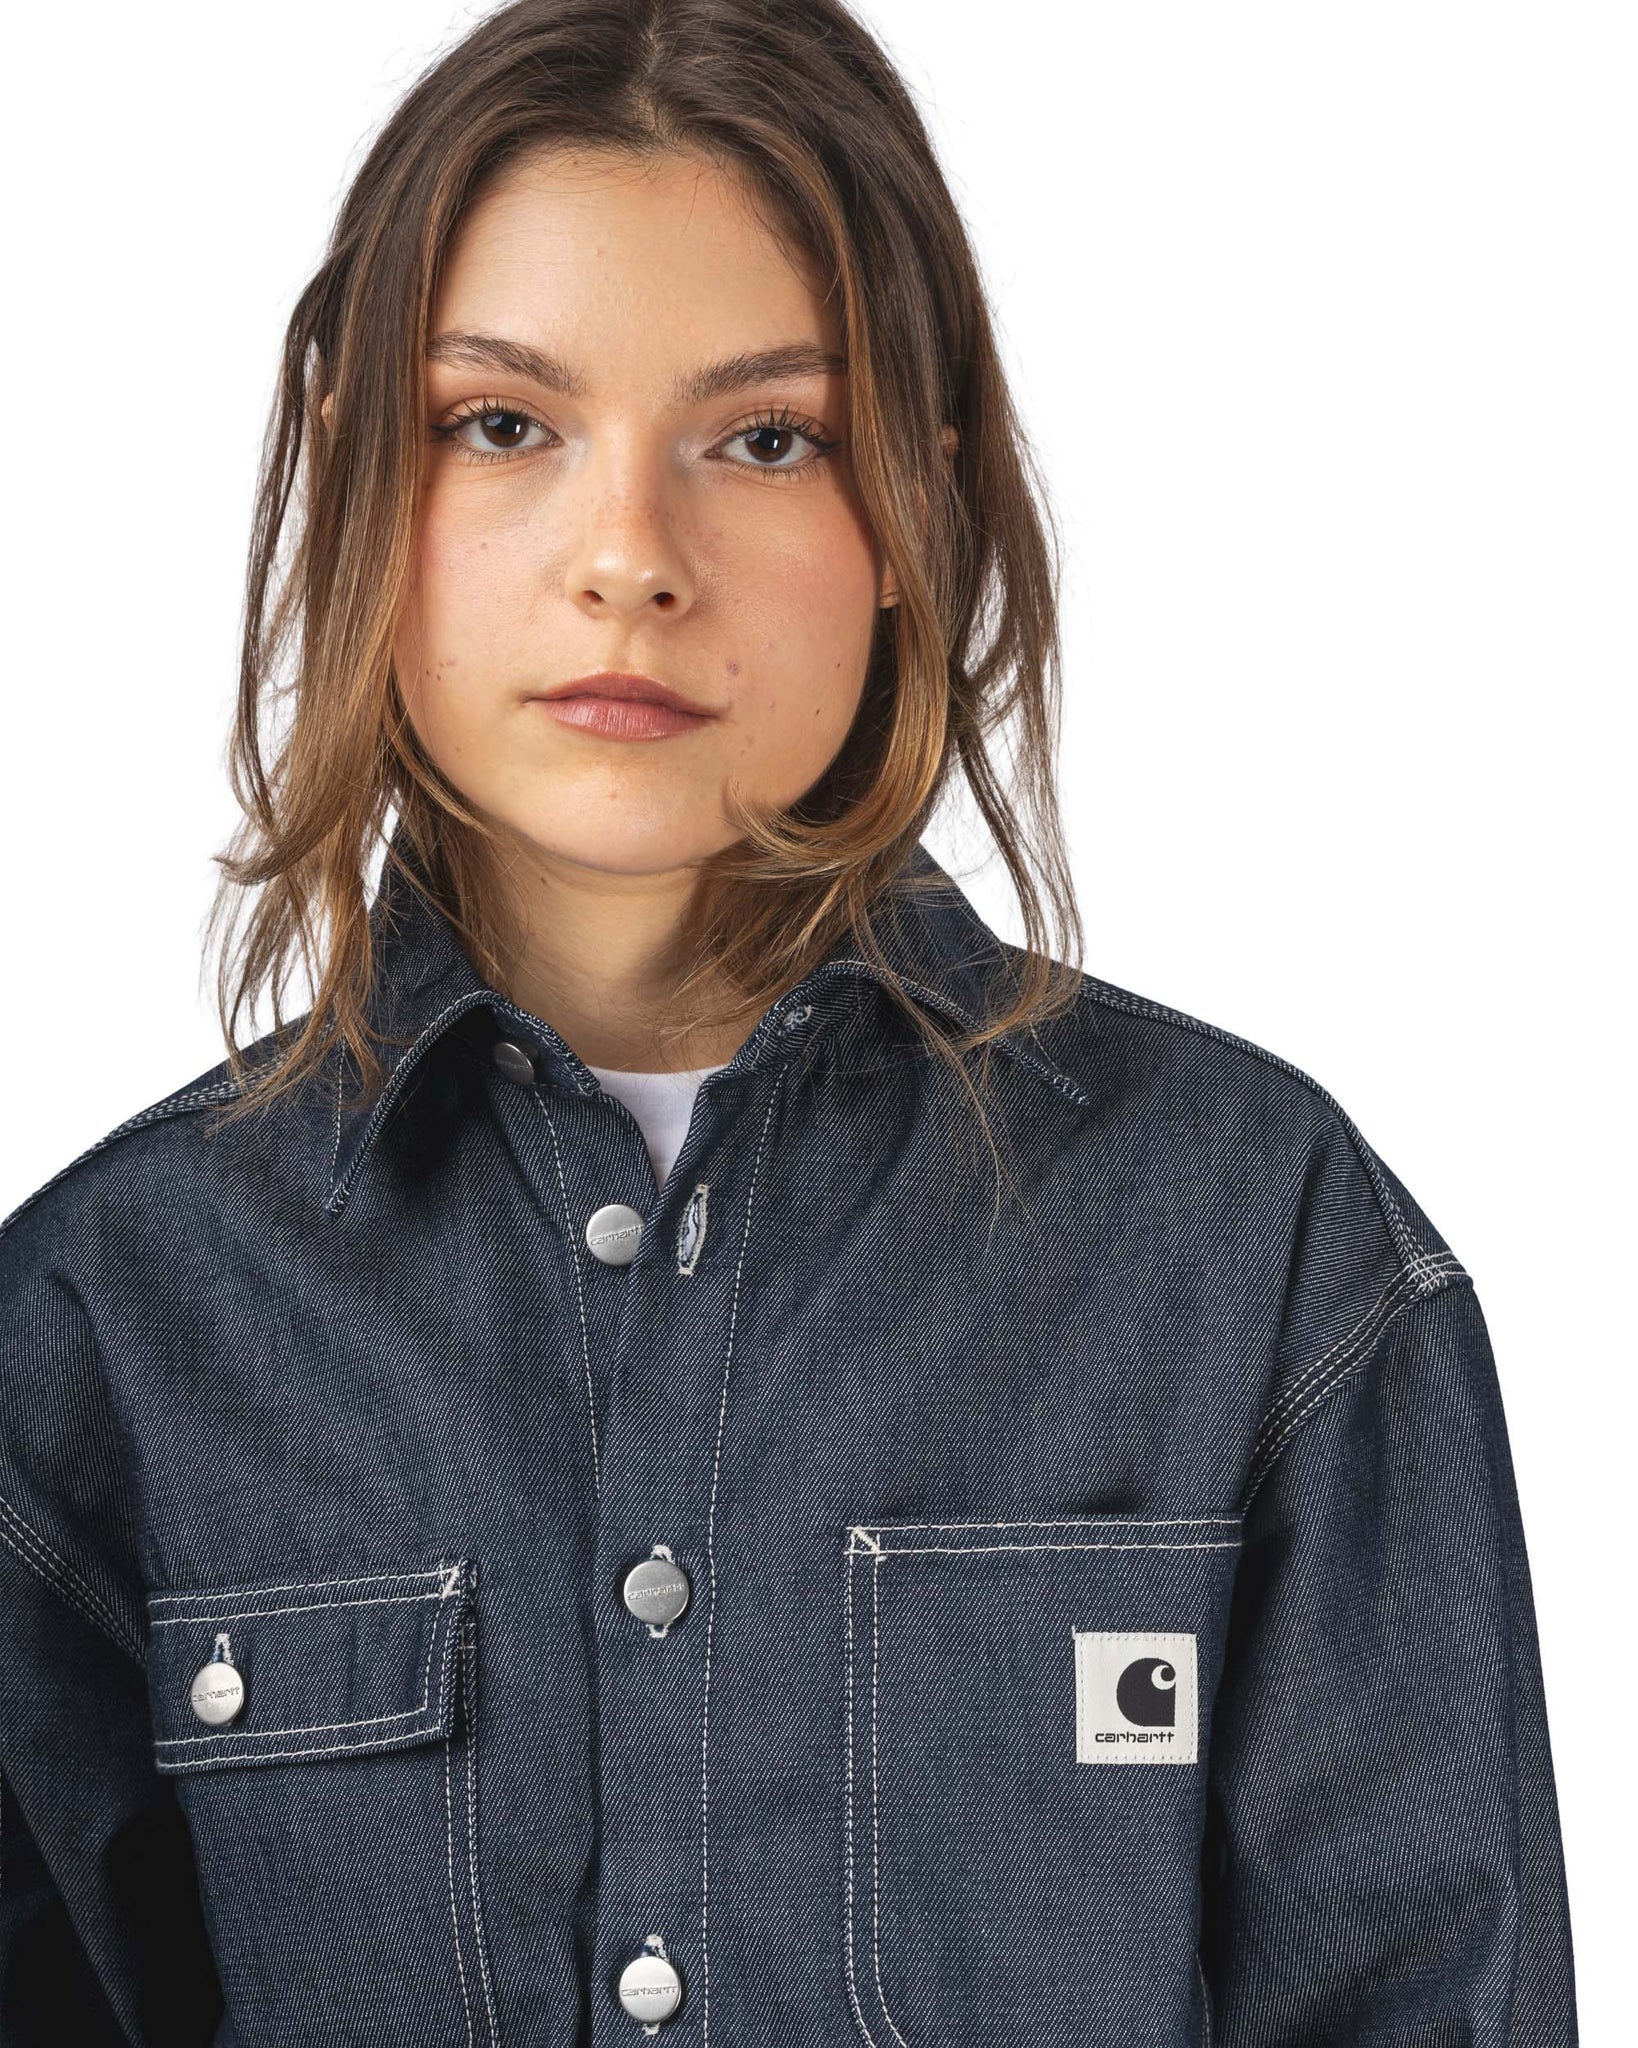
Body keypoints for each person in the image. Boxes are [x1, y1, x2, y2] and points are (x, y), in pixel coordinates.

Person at [0, 1, 1578, 2042]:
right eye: (499, 423)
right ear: (346, 467)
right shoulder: (98, 1323)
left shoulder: (1260, 1244)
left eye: (768, 438)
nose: (629, 561)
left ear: (915, 501)